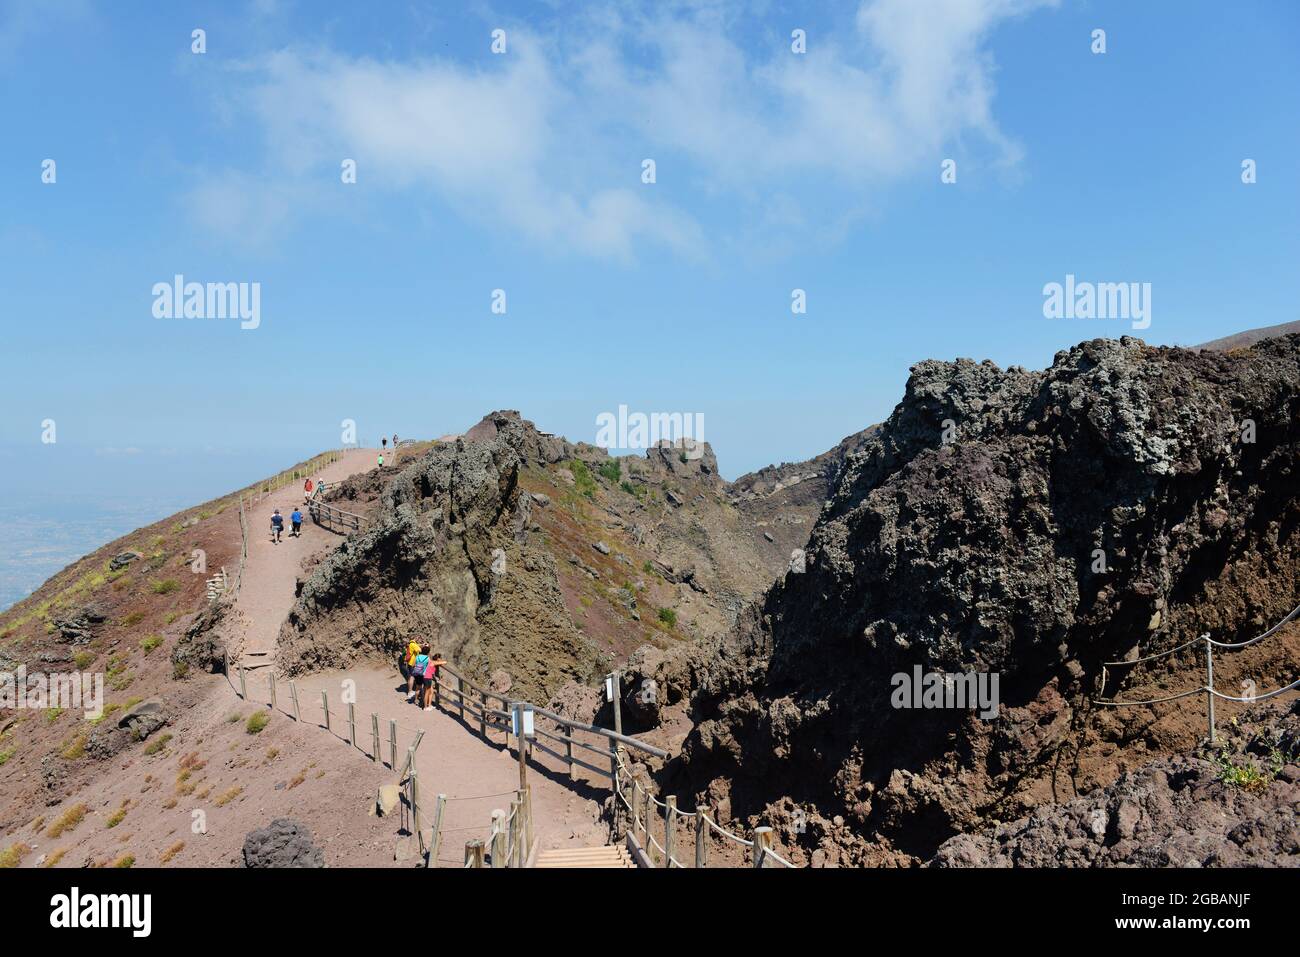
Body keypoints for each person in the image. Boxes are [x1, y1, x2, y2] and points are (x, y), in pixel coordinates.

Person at [420, 648, 448, 712]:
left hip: (425, 677)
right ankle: (425, 707)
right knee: (427, 692)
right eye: (440, 658)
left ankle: (429, 705)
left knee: (431, 691)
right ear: (438, 659)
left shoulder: (430, 661)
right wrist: (441, 661)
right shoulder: (433, 662)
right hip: (427, 678)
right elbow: (444, 662)